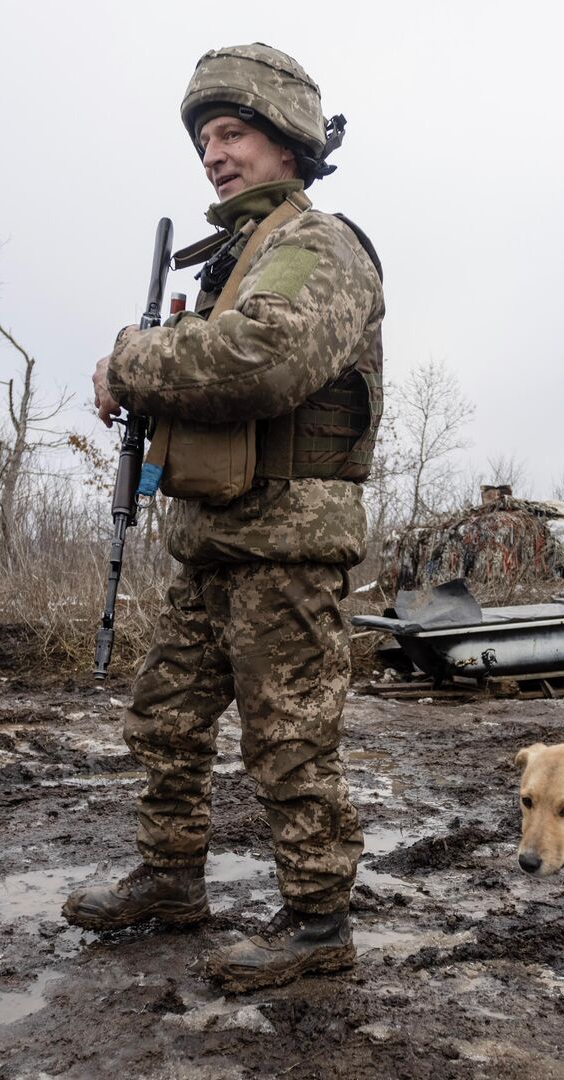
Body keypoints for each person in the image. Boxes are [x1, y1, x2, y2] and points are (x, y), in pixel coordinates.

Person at [65, 42, 384, 993]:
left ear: (286, 140)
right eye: (206, 138)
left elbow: (264, 359)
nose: (215, 153)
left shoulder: (316, 247)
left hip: (285, 548)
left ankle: (319, 920)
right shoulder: (233, 262)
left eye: (233, 132)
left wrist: (132, 359)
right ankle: (170, 882)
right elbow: (209, 369)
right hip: (214, 542)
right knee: (165, 719)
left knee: (290, 737)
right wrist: (143, 379)